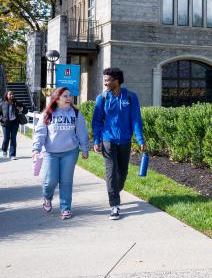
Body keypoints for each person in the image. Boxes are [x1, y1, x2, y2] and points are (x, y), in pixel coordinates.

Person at [92, 67, 144, 220]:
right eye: (105, 80)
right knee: (111, 171)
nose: (105, 83)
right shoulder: (102, 98)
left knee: (122, 172)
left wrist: (140, 139)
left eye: (108, 80)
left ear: (117, 81)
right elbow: (97, 121)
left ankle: (116, 189)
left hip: (125, 140)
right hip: (108, 139)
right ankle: (114, 204)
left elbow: (136, 119)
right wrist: (97, 140)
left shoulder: (130, 97)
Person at [32, 87, 89, 219]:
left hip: (70, 152)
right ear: (56, 99)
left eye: (70, 96)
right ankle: (47, 197)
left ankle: (65, 208)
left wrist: (84, 148)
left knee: (66, 181)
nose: (69, 98)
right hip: (50, 153)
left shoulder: (75, 113)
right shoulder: (47, 113)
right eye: (65, 96)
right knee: (50, 182)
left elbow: (82, 132)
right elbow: (40, 133)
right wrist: (36, 149)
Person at [1, 91, 24, 160]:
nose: (11, 95)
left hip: (15, 123)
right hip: (5, 123)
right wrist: (1, 119)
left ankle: (12, 155)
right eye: (10, 94)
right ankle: (4, 150)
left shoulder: (17, 103)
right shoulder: (2, 103)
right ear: (7, 95)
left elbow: (25, 110)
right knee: (6, 138)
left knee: (13, 138)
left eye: (12, 94)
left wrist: (21, 109)